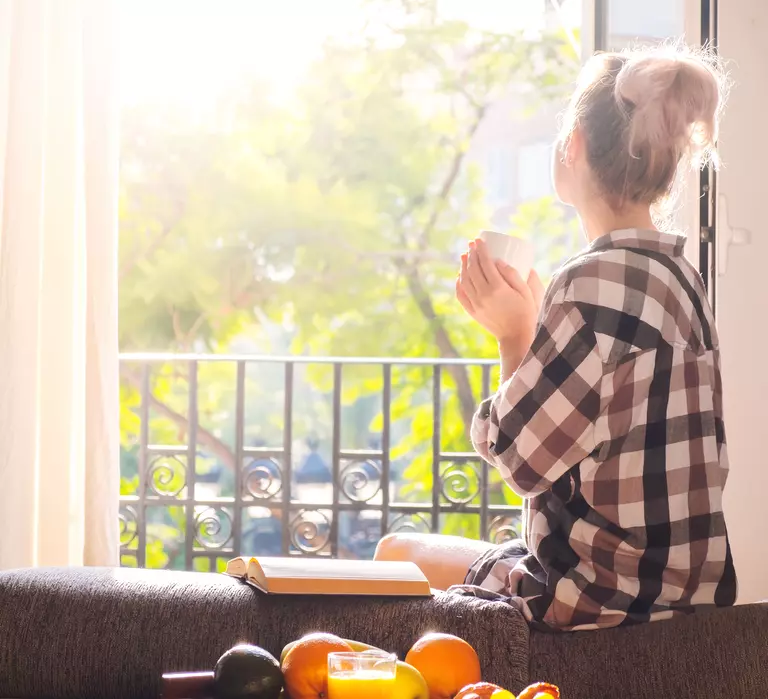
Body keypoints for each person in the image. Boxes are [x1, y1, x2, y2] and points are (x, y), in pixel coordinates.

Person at [375, 44, 737, 631]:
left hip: (596, 599)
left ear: (573, 148)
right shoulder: (683, 279)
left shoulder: (588, 283)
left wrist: (514, 333)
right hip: (692, 598)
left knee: (396, 553)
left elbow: (520, 460)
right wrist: (545, 325)